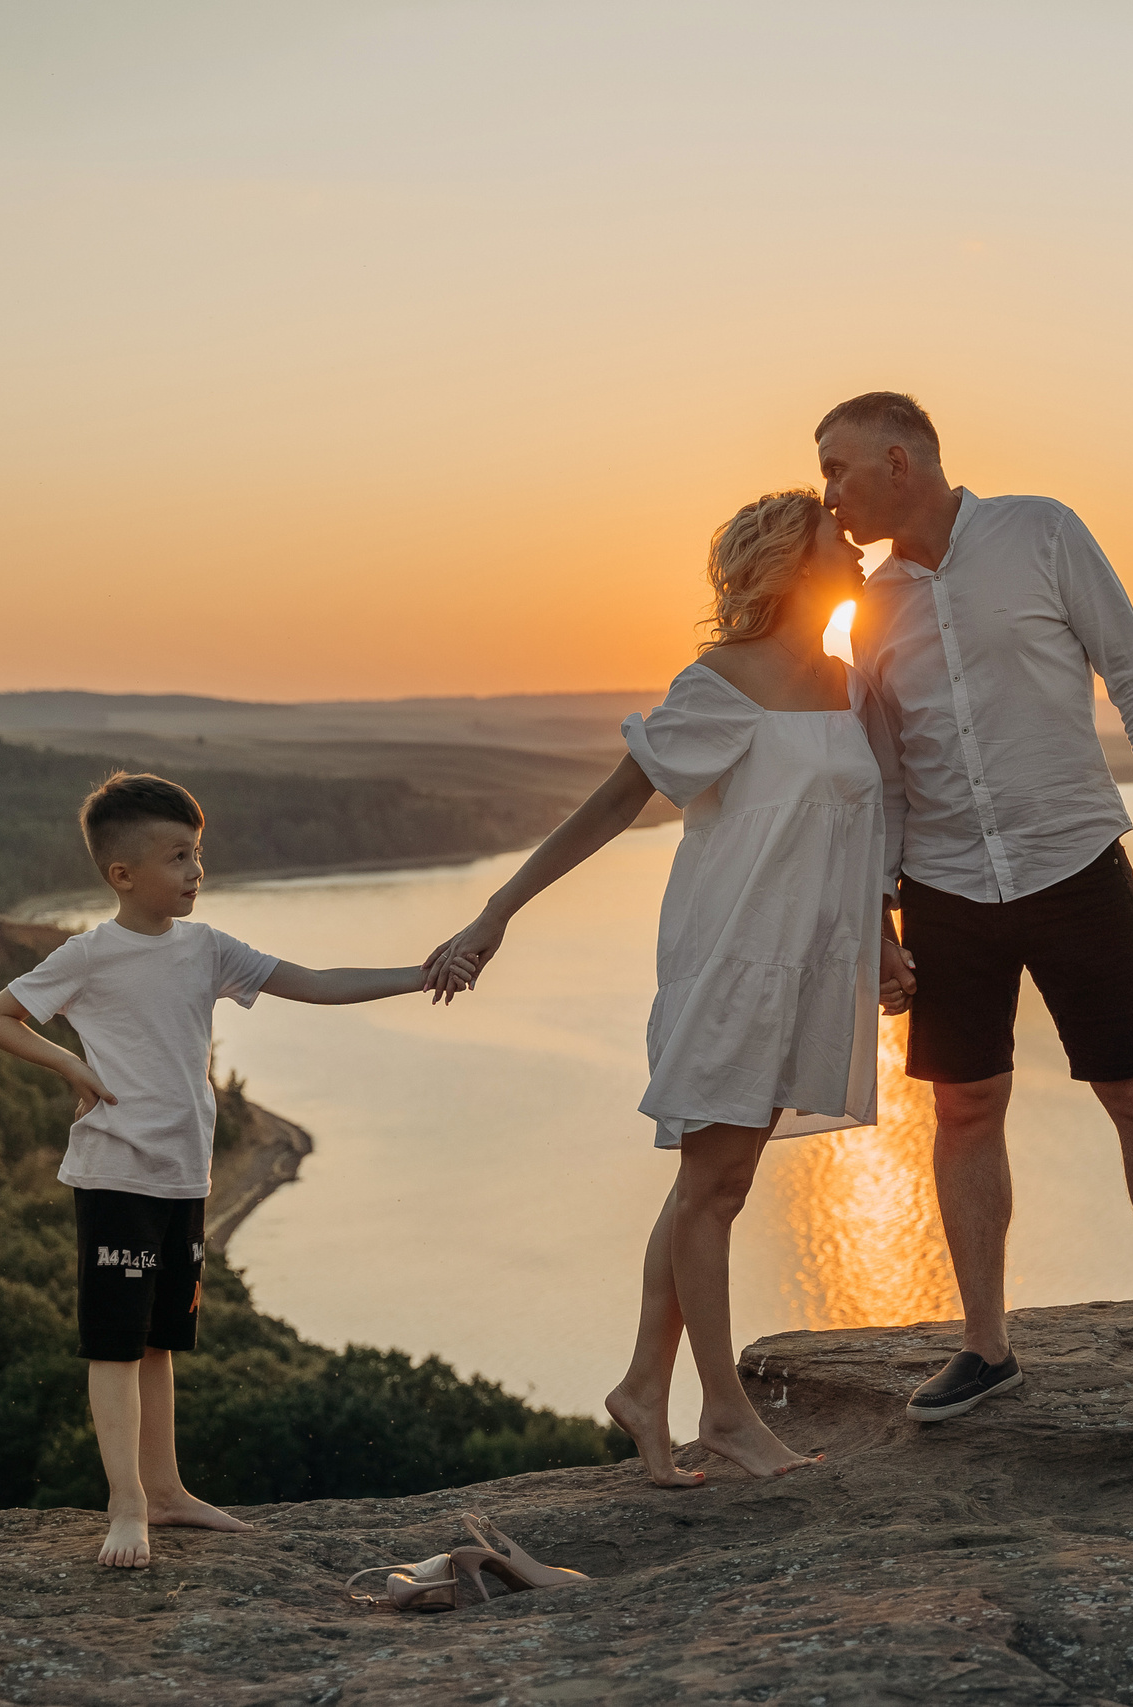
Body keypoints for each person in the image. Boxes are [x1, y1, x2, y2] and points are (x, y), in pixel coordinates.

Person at [419, 490, 913, 1486]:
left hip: (810, 963)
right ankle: (721, 1412)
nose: (857, 545)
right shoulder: (721, 681)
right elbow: (614, 803)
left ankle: (644, 1385)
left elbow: (858, 830)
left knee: (712, 1181)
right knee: (714, 1185)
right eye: (836, 535)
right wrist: (497, 911)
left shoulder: (849, 682)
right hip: (732, 956)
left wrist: (887, 940)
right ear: (791, 560)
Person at [817, 392, 1133, 1423]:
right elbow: (885, 773)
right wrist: (880, 914)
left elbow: (1132, 673)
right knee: (964, 1108)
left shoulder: (1042, 533)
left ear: (899, 461)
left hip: (1072, 861)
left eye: (836, 469)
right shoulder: (868, 608)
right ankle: (986, 1346)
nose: (827, 494)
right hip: (946, 885)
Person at [0, 772, 438, 1566]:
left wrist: (421, 974)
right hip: (117, 1174)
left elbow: (313, 983)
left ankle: (166, 1490)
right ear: (123, 873)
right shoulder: (89, 955)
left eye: (198, 853)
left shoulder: (207, 948)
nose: (195, 870)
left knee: (159, 1342)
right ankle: (125, 1502)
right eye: (177, 856)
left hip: (185, 1177)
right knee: (115, 1346)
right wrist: (72, 1066)